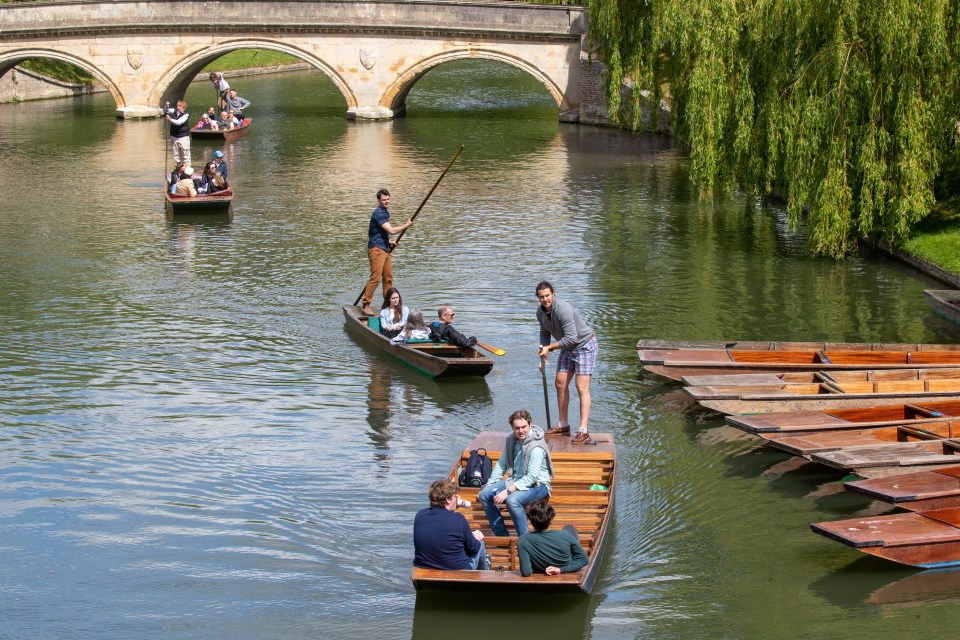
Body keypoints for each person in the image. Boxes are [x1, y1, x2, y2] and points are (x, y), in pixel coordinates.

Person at [536, 281, 597, 445]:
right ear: (538, 298)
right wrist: (543, 355)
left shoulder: (563, 309)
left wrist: (550, 347)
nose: (545, 299)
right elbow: (544, 334)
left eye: (547, 295)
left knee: (581, 387)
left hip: (584, 345)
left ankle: (583, 430)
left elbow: (572, 337)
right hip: (567, 348)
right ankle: (563, 425)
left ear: (553, 294)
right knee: (560, 383)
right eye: (541, 297)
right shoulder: (540, 313)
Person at [478, 410, 553, 537]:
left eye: (524, 427)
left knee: (512, 501)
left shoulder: (536, 448)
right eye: (517, 428)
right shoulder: (511, 441)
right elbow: (501, 465)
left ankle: (524, 539)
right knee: (485, 494)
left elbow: (532, 477)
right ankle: (502, 535)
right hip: (515, 480)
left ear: (529, 424)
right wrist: (489, 485)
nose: (521, 431)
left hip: (538, 485)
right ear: (512, 428)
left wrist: (507, 491)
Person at [413, 479, 488, 571]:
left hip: (424, 569)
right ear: (448, 499)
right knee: (480, 543)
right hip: (457, 571)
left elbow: (442, 526)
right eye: (455, 497)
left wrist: (452, 509)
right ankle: (485, 577)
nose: (457, 499)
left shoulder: (420, 515)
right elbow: (474, 548)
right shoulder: (459, 519)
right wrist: (476, 537)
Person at [361, 189, 414, 316]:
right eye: (384, 200)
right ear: (378, 200)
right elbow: (390, 230)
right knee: (375, 277)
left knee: (388, 278)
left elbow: (379, 232)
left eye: (388, 199)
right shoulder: (379, 213)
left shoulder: (385, 212)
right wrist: (406, 225)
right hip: (376, 250)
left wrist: (388, 242)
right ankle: (366, 304)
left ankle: (388, 305)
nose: (386, 202)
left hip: (384, 248)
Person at [517, 499, 588, 577]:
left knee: (568, 529)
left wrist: (538, 567)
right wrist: (559, 570)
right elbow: (584, 560)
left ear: (530, 520)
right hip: (566, 568)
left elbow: (526, 572)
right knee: (569, 528)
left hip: (543, 570)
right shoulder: (565, 534)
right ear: (550, 520)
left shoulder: (523, 539)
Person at [164, 99, 191, 167]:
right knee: (176, 154)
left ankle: (187, 169)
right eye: (178, 106)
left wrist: (170, 119)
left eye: (181, 107)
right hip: (174, 136)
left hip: (183, 136)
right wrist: (166, 106)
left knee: (185, 155)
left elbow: (178, 122)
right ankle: (178, 169)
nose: (180, 108)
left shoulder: (186, 114)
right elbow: (166, 110)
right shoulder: (174, 111)